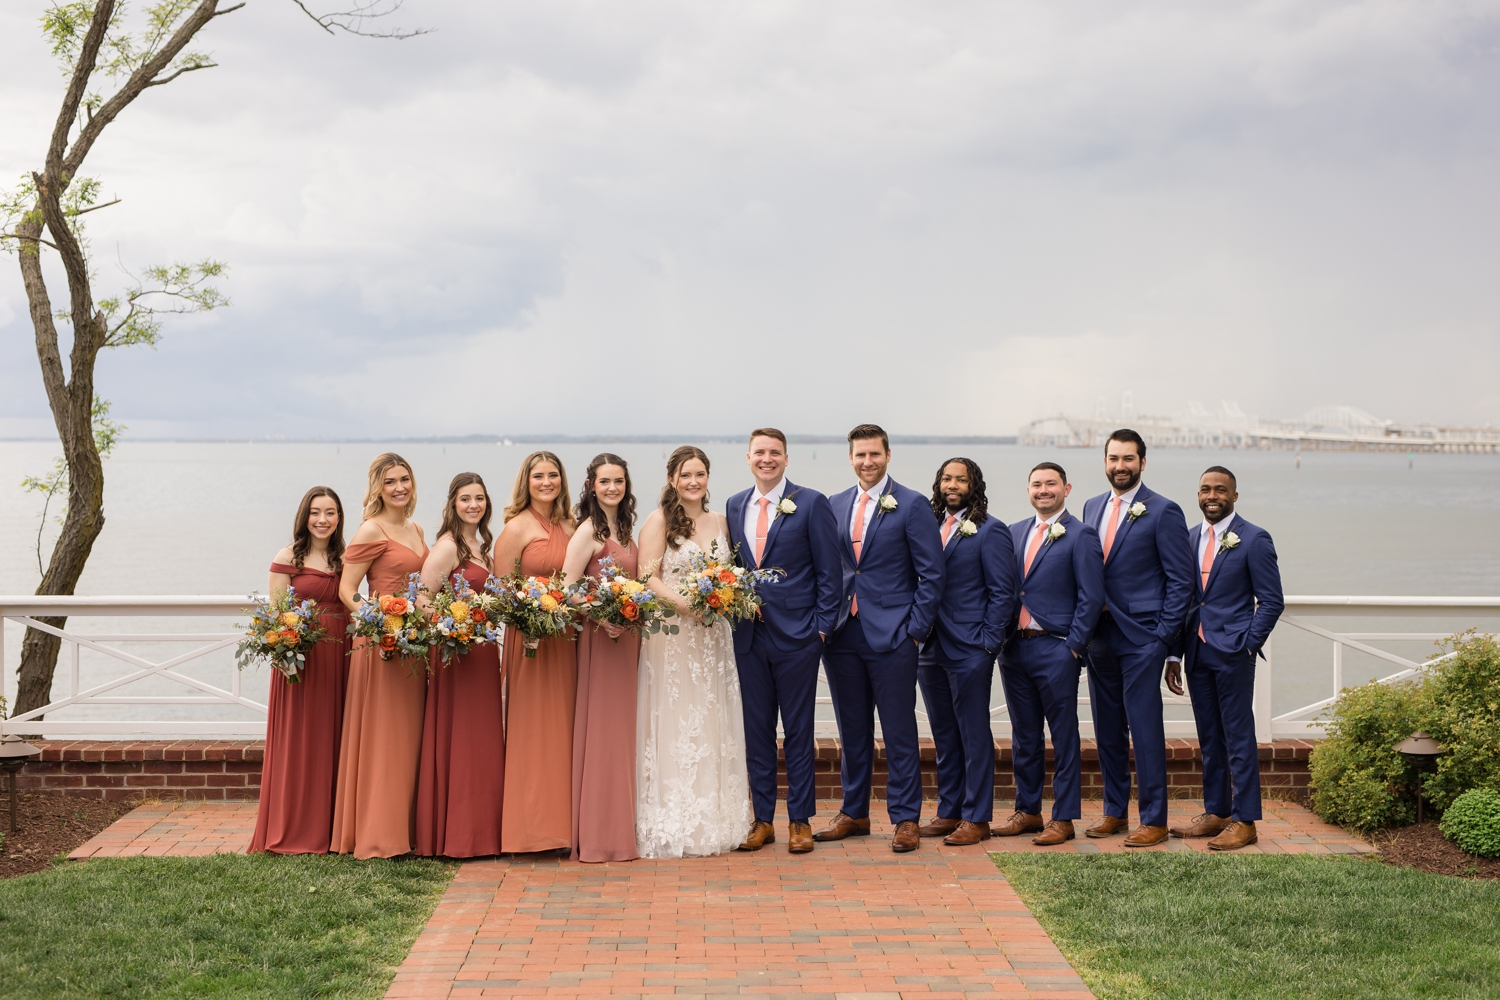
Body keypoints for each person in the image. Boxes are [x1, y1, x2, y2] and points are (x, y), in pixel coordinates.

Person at [817, 424, 944, 853]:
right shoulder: (832, 505)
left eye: (874, 454)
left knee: (899, 730)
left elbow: (932, 574)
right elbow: (829, 569)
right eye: (859, 455)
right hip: (842, 634)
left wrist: (914, 632)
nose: (867, 462)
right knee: (852, 730)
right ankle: (854, 812)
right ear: (850, 458)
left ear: (888, 455)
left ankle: (906, 817)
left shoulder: (911, 505)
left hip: (894, 637)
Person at [724, 428, 842, 854]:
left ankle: (800, 820)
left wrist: (822, 628)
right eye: (760, 452)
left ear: (787, 459)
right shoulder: (735, 505)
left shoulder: (811, 503)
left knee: (798, 730)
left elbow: (831, 573)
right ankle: (762, 820)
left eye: (775, 453)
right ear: (749, 457)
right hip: (750, 637)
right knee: (756, 731)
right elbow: (736, 569)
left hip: (799, 637)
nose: (767, 459)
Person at [635, 446, 752, 858]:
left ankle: (717, 817)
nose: (693, 481)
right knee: (676, 716)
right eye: (685, 475)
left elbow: (733, 572)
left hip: (714, 636)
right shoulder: (659, 521)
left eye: (699, 474)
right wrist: (685, 606)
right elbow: (646, 578)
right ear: (672, 479)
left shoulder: (721, 520)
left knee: (712, 717)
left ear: (708, 477)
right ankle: (673, 818)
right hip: (673, 634)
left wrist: (726, 598)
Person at [1080, 429, 1193, 847]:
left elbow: (1181, 582)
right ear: (1105, 461)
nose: (1120, 466)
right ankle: (1114, 812)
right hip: (1099, 637)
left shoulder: (1163, 511)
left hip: (1142, 638)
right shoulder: (1091, 507)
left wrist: (1163, 639)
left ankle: (1155, 819)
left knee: (1145, 730)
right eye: (1113, 458)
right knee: (1107, 730)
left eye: (1128, 459)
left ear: (1143, 462)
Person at [1166, 466, 1284, 850]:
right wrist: (1173, 653)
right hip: (1196, 651)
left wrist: (1247, 644)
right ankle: (1216, 812)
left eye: (1220, 490)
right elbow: (1185, 598)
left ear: (1235, 495)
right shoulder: (1189, 537)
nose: (1211, 496)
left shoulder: (1253, 539)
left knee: (1238, 736)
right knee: (1210, 736)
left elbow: (1271, 601)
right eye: (1204, 489)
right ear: (1197, 495)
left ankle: (1245, 819)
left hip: (1233, 652)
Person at [997, 462, 1104, 845]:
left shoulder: (1081, 535)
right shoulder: (1013, 533)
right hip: (1014, 650)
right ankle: (1027, 811)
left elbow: (1091, 597)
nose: (1043, 490)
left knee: (1063, 736)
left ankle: (1063, 817)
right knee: (1024, 736)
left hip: (1056, 648)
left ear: (1066, 488)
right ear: (1028, 490)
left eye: (1051, 484)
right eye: (1037, 484)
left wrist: (1073, 648)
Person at [331, 454, 428, 858]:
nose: (399, 487)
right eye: (390, 482)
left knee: (407, 736)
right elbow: (347, 589)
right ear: (378, 487)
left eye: (405, 479)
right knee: (384, 737)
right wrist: (381, 620)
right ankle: (378, 834)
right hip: (381, 645)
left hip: (414, 643)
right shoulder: (371, 529)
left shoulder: (416, 527)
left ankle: (404, 829)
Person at [916, 459, 1016, 846]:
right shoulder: (928, 527)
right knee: (944, 733)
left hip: (971, 647)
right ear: (938, 483)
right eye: (946, 478)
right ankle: (950, 810)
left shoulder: (991, 531)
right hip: (929, 645)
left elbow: (1002, 593)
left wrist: (988, 643)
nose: (952, 484)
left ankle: (977, 817)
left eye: (961, 479)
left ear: (974, 485)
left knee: (974, 734)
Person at [250, 487, 349, 855]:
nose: (323, 519)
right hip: (302, 656)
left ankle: (333, 827)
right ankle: (294, 826)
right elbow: (276, 614)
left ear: (340, 518)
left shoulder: (345, 558)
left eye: (331, 512)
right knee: (302, 737)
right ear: (304, 516)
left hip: (342, 653)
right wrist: (287, 650)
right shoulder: (288, 556)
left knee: (337, 733)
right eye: (315, 512)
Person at [414, 473, 505, 858]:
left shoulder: (483, 547)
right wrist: (455, 631)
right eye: (466, 499)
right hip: (457, 654)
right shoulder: (448, 547)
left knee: (483, 738)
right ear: (453, 503)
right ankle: (457, 835)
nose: (473, 505)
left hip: (483, 654)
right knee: (461, 738)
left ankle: (483, 832)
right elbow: (421, 599)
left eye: (480, 499)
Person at [494, 451, 578, 854]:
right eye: (539, 476)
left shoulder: (571, 524)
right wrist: (530, 610)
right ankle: (529, 832)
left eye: (553, 475)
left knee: (565, 728)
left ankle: (564, 828)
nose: (547, 482)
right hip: (529, 639)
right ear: (526, 481)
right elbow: (500, 590)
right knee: (532, 728)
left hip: (566, 639)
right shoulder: (516, 528)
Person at [562, 454, 643, 863]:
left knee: (625, 732)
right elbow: (568, 586)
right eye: (605, 481)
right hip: (601, 638)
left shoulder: (626, 530)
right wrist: (602, 615)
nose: (612, 487)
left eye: (619, 481)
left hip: (628, 638)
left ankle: (622, 825)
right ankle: (600, 836)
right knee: (604, 733)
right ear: (591, 485)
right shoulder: (588, 531)